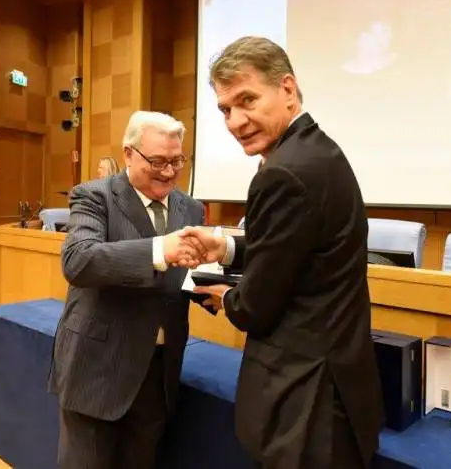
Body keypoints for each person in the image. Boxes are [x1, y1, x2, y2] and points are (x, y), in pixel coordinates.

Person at [180, 36, 384, 469]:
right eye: (225, 110)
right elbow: (295, 250)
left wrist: (225, 298)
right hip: (336, 387)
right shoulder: (316, 150)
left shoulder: (284, 172)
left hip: (307, 404)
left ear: (287, 90)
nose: (236, 121)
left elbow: (256, 308)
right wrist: (227, 246)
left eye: (246, 100)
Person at [48, 111, 206, 469]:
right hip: (98, 367)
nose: (168, 171)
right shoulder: (93, 196)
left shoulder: (192, 209)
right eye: (158, 161)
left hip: (158, 374)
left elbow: (187, 276)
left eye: (177, 161)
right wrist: (157, 251)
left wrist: (216, 287)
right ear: (129, 154)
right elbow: (78, 261)